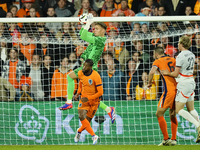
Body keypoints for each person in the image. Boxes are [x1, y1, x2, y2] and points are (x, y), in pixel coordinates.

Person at [59, 14, 115, 124]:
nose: (95, 30)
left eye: (97, 29)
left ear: (104, 30)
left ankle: (69, 102)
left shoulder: (100, 40)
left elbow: (84, 36)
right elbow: (82, 33)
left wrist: (88, 22)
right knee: (90, 97)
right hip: (86, 67)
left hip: (90, 69)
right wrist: (85, 23)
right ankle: (109, 109)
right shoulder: (96, 38)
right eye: (94, 29)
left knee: (70, 77)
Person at [161, 36, 200, 143]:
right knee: (191, 109)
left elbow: (175, 73)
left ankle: (198, 125)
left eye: (179, 43)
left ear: (182, 44)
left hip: (183, 83)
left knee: (179, 110)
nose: (177, 44)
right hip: (191, 81)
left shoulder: (180, 56)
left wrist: (167, 73)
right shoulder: (192, 54)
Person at [147, 47, 178, 146]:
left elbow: (151, 72)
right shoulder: (173, 59)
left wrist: (149, 83)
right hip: (177, 89)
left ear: (156, 54)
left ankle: (166, 139)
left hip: (168, 91)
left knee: (159, 113)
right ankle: (173, 139)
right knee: (172, 114)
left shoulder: (158, 61)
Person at [74, 59, 102, 145]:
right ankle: (94, 136)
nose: (84, 67)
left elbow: (100, 92)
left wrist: (89, 98)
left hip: (94, 101)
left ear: (90, 67)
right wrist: (78, 93)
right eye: (83, 65)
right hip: (83, 99)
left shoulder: (96, 76)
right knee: (81, 116)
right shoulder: (80, 73)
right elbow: (81, 83)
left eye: (86, 66)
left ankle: (78, 131)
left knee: (87, 122)